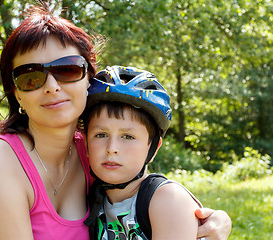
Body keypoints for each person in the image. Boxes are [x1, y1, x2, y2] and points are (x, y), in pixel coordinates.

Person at [0, 3, 231, 240]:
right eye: (30, 77)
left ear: (89, 79)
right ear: (16, 94)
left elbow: (148, 192)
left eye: (67, 70)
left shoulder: (95, 149)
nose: (51, 86)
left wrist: (214, 219)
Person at [82, 65, 231, 240]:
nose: (112, 148)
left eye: (128, 136)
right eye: (101, 135)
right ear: (85, 143)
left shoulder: (166, 201)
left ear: (152, 148)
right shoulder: (92, 198)